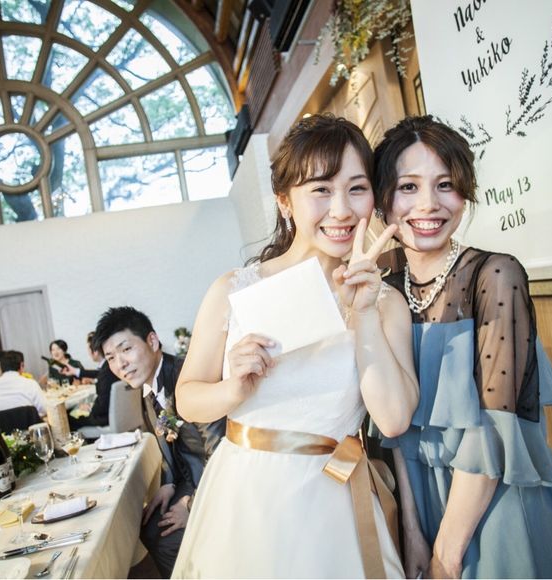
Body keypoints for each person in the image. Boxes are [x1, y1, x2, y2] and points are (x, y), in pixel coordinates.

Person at [172, 113, 419, 578]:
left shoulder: (385, 303)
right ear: (285, 201)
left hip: (336, 501)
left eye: (357, 188)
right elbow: (187, 399)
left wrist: (364, 314)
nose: (341, 210)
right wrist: (232, 389)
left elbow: (393, 420)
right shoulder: (233, 290)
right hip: (247, 501)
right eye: (321, 190)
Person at [373, 114, 552, 578]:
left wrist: (447, 554)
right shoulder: (384, 290)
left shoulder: (496, 277)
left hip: (495, 509)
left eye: (445, 185)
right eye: (408, 187)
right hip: (425, 512)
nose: (429, 204)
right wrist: (413, 532)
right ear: (383, 200)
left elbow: (493, 434)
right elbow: (397, 435)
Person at [91, 307, 225, 578]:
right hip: (190, 477)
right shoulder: (148, 388)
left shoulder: (189, 377)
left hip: (217, 481)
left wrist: (191, 505)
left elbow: (222, 451)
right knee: (146, 527)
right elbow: (168, 444)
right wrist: (168, 483)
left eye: (126, 349)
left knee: (164, 539)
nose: (120, 364)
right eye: (111, 358)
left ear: (152, 341)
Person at [63, 332, 118, 429]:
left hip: (104, 418)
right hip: (116, 413)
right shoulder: (110, 366)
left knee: (67, 417)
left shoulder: (106, 373)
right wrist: (75, 371)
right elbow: (98, 373)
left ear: (95, 351)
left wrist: (90, 408)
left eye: (88, 349)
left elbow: (102, 405)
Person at [0, 350, 47, 416]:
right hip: (26, 422)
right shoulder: (30, 384)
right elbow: (45, 409)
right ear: (21, 365)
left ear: (1, 367)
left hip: (0, 422)